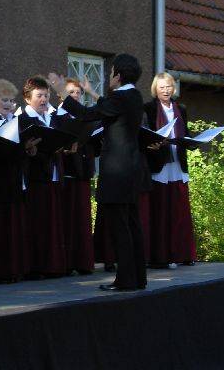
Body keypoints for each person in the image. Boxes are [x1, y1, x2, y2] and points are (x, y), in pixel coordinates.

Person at [62, 54, 146, 291]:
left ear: (118, 76)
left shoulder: (120, 97)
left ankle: (126, 280)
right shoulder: (134, 96)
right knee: (132, 225)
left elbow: (86, 115)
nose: (109, 76)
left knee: (120, 227)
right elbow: (108, 108)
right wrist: (91, 92)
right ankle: (138, 278)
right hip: (131, 170)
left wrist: (62, 94)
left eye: (110, 72)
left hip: (117, 172)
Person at [145, 72, 197, 268]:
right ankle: (161, 256)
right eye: (162, 87)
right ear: (155, 89)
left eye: (168, 87)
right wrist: (156, 143)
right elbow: (145, 135)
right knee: (161, 211)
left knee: (180, 211)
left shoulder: (180, 109)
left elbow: (186, 133)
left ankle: (183, 254)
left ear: (173, 88)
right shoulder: (149, 108)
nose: (166, 90)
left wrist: (193, 142)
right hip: (159, 164)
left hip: (178, 163)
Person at [18, 76, 66, 278]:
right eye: (39, 95)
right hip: (35, 178)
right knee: (37, 224)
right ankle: (37, 267)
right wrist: (32, 150)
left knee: (53, 223)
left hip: (53, 175)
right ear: (27, 98)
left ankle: (54, 265)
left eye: (46, 95)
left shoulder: (52, 118)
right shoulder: (23, 120)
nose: (44, 99)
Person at [0, 78, 25, 281]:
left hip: (13, 175)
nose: (9, 104)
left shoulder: (13, 119)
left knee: (12, 223)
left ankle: (12, 269)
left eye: (11, 100)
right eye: (4, 100)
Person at [58, 79, 96, 275]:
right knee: (68, 218)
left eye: (78, 92)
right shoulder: (56, 115)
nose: (74, 95)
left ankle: (83, 262)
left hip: (82, 171)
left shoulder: (84, 115)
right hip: (66, 172)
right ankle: (67, 262)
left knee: (82, 219)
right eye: (70, 92)